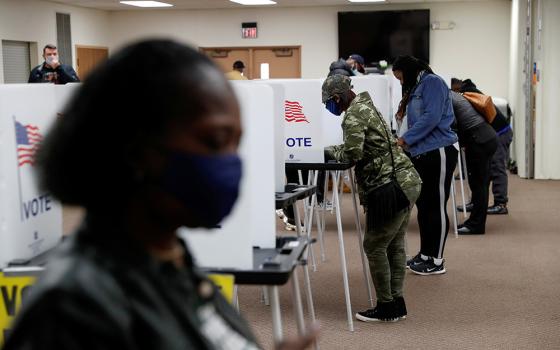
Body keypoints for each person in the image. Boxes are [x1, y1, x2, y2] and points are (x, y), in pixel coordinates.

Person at [4, 39, 317, 350]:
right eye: (215, 140)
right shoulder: (73, 309)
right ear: (137, 149)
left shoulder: (167, 257)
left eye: (236, 143)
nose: (231, 162)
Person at [322, 74, 422, 322]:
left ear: (337, 97)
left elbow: (352, 154)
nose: (330, 106)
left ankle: (386, 307)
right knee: (394, 245)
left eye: (329, 102)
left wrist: (327, 149)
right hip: (406, 181)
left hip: (389, 187)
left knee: (375, 245)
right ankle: (396, 303)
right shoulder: (367, 106)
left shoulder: (354, 114)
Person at [392, 55, 458, 276]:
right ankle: (425, 255)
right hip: (421, 152)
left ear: (408, 71)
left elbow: (431, 117)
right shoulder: (417, 86)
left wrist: (404, 139)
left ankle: (437, 261)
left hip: (438, 150)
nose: (401, 83)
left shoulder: (433, 82)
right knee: (424, 206)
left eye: (400, 78)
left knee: (436, 205)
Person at [459, 79, 512, 215]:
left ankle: (501, 204)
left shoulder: (469, 96)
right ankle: (477, 202)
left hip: (500, 133)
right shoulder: (471, 94)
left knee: (496, 167)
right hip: (492, 134)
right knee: (483, 169)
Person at [450, 90, 498, 234]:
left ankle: (476, 225)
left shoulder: (447, 99)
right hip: (487, 137)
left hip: (479, 140)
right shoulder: (455, 96)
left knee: (478, 185)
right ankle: (475, 222)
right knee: (481, 184)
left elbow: (452, 124)